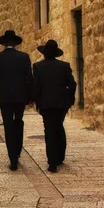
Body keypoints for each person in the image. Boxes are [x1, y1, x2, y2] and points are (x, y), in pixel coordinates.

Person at [0, 30, 33, 171]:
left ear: (4, 43)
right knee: (18, 123)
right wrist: (30, 97)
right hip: (20, 98)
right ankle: (18, 150)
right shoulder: (24, 57)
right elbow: (29, 79)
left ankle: (12, 159)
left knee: (8, 127)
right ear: (15, 43)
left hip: (5, 98)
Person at [33, 39, 77, 173]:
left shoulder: (38, 67)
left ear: (44, 53)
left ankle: (52, 162)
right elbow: (72, 84)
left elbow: (37, 87)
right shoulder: (64, 66)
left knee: (49, 130)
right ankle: (60, 156)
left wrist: (37, 102)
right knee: (58, 126)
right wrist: (70, 99)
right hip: (62, 104)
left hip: (46, 104)